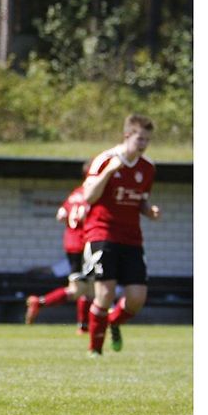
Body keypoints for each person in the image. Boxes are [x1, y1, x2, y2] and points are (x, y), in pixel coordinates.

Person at [82, 113, 161, 357]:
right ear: (127, 136)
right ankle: (95, 351)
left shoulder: (147, 168)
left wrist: (150, 211)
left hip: (131, 238)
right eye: (139, 139)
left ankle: (114, 322)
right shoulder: (105, 160)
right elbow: (88, 197)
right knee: (104, 293)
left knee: (136, 299)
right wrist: (108, 173)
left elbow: (141, 202)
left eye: (147, 140)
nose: (143, 144)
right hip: (102, 232)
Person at [25, 161, 94, 333]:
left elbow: (61, 215)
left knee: (88, 286)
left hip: (71, 243)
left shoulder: (75, 193)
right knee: (80, 288)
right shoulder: (95, 193)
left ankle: (83, 327)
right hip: (85, 244)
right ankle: (40, 302)